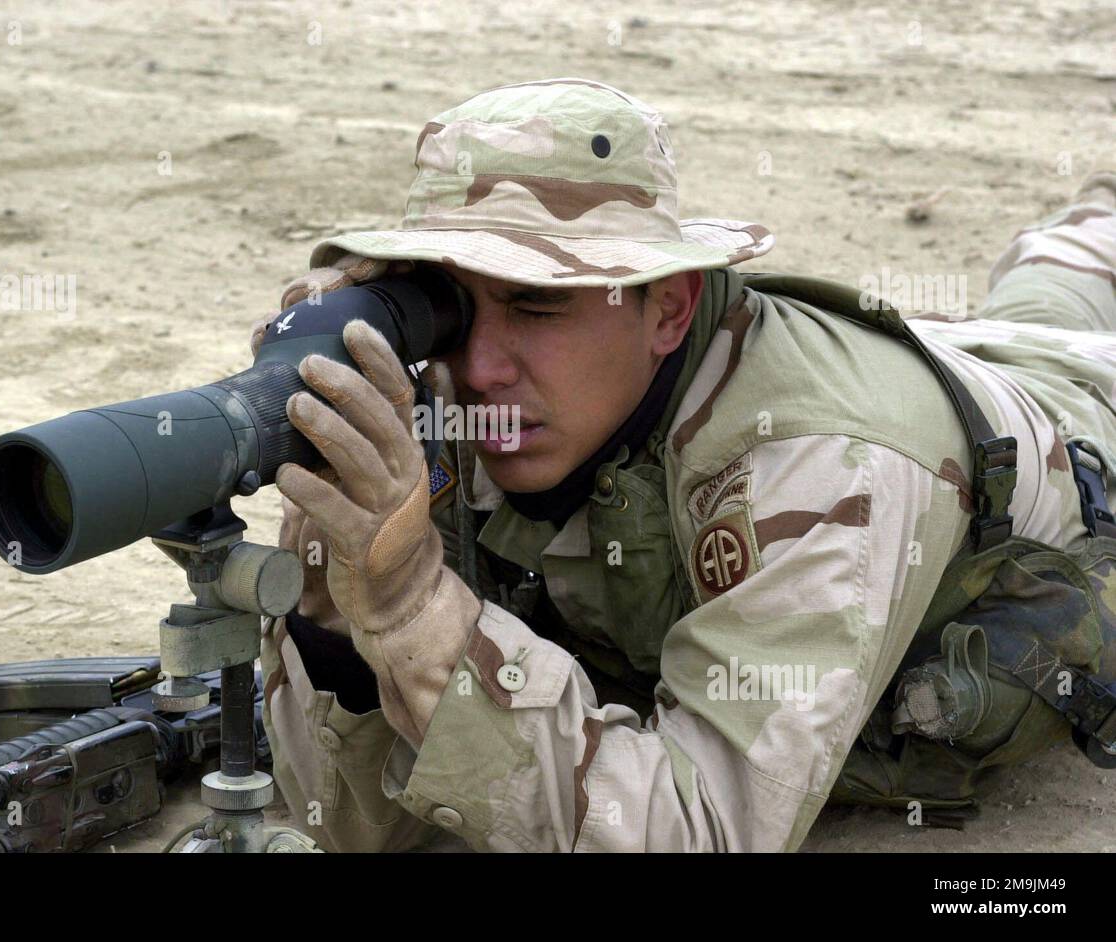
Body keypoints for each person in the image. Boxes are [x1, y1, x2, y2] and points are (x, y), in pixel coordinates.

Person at [250, 77, 1116, 852]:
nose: (482, 370)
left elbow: (699, 833)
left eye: (538, 304)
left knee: (1070, 287)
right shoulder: (463, 398)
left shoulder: (821, 468)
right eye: (448, 307)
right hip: (941, 358)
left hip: (1067, 413)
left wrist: (416, 616)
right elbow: (356, 828)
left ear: (668, 309)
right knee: (1052, 280)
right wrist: (336, 613)